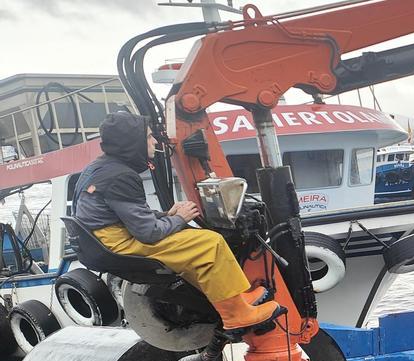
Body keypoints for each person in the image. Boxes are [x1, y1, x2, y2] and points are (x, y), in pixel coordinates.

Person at [73, 111, 281, 330]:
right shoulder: (121, 176)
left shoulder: (101, 167)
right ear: (132, 143)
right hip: (117, 244)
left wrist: (167, 217)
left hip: (103, 240)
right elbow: (148, 234)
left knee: (190, 245)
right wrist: (180, 219)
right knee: (210, 243)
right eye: (149, 137)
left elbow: (122, 215)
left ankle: (233, 299)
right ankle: (236, 315)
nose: (154, 142)